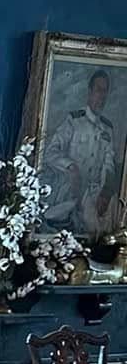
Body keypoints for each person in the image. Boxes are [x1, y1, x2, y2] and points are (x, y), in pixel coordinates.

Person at [38, 67, 120, 239]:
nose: (102, 96)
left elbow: (109, 164)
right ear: (90, 92)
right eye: (99, 90)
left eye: (105, 91)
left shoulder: (107, 128)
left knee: (104, 232)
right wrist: (71, 166)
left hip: (94, 195)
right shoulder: (74, 121)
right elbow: (50, 152)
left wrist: (105, 192)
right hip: (70, 191)